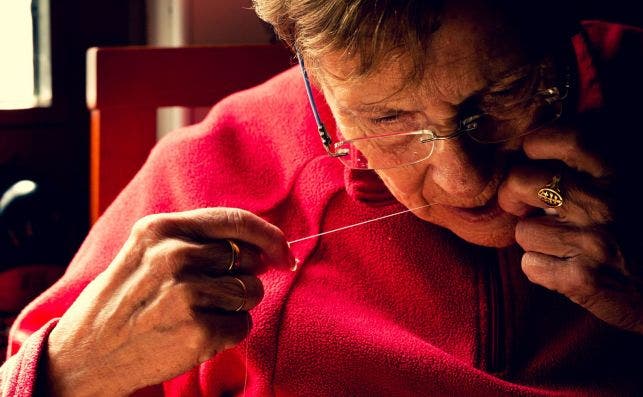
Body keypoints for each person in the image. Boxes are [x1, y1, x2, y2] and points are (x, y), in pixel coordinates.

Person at [2, 0, 642, 395]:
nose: (463, 182)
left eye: (501, 96)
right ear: (311, 75)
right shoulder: (211, 172)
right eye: (387, 119)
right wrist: (68, 372)